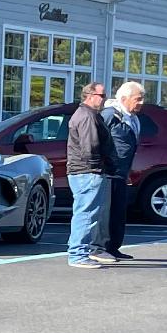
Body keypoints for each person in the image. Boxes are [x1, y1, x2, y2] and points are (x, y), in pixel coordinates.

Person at [66, 83, 114, 269]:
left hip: (84, 171)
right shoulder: (86, 117)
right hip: (87, 172)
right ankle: (78, 254)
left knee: (87, 212)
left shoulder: (88, 115)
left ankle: (81, 251)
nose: (104, 99)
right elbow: (90, 147)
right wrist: (97, 168)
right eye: (102, 95)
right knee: (86, 214)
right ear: (90, 95)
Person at [101, 81, 146, 261]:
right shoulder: (110, 115)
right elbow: (99, 142)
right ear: (124, 98)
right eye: (138, 99)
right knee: (106, 212)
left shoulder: (133, 118)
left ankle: (114, 247)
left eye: (142, 98)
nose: (141, 102)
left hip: (121, 171)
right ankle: (101, 247)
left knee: (119, 211)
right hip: (108, 172)